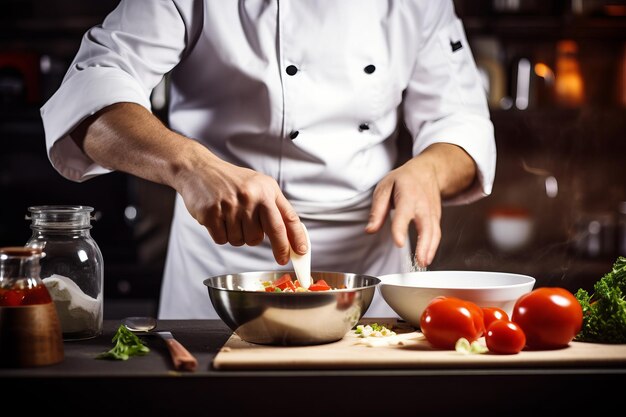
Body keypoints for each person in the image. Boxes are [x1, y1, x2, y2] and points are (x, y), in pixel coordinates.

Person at [40, 0, 496, 319]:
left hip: (368, 269)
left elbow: (460, 119)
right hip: (221, 266)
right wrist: (190, 166)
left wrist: (430, 169)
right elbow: (92, 92)